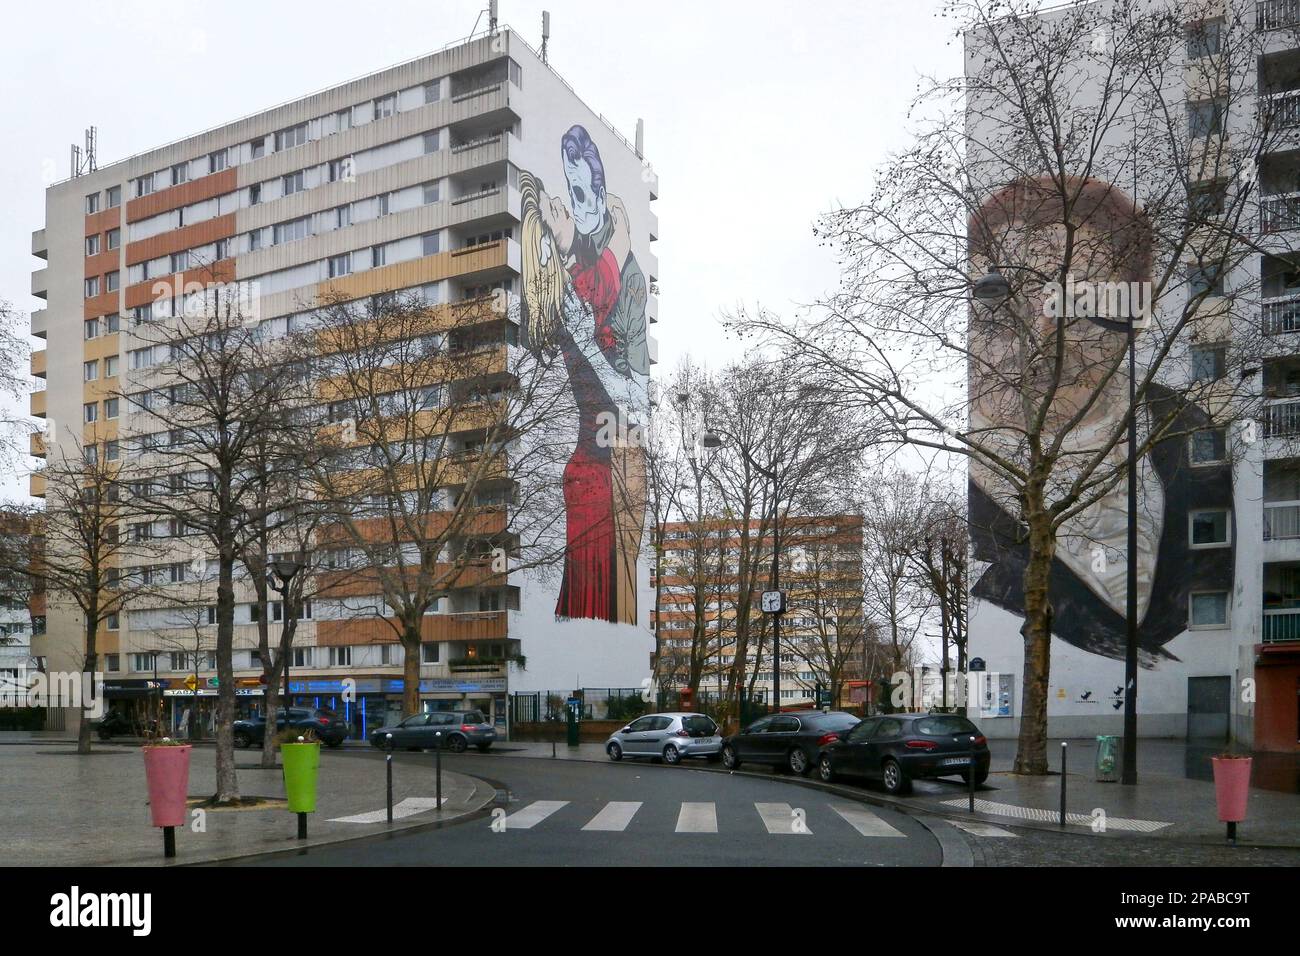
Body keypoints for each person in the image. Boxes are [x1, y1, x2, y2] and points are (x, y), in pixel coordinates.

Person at [968, 176, 1234, 663]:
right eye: (1004, 304)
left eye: (1076, 304)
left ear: (1132, 313)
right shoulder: (986, 494)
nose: (1040, 332)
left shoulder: (1196, 439)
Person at [518, 152, 648, 626]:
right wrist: (623, 238)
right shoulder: (575, 299)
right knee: (614, 598)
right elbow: (608, 282)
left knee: (608, 598)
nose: (566, 208)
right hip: (601, 474)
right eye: (559, 209)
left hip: (593, 468)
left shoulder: (555, 302)